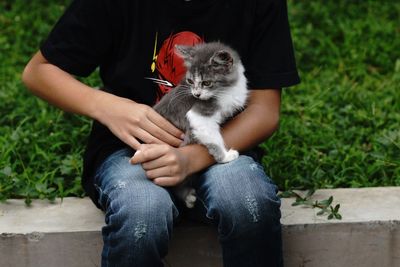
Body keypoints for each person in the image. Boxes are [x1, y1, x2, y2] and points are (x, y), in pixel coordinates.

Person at [22, 0, 300, 266]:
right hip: (130, 151)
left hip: (221, 145)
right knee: (142, 210)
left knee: (247, 201)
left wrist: (191, 158)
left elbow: (264, 111)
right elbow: (39, 71)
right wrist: (107, 106)